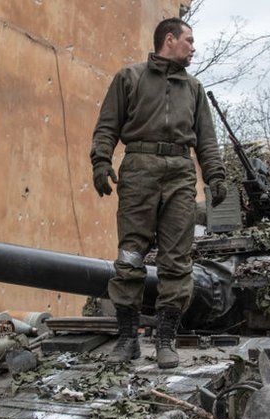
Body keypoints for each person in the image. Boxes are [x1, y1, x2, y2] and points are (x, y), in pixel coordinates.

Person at [90, 17, 227, 368]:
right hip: (138, 168)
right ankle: (127, 341)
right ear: (170, 39)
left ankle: (165, 340)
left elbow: (207, 140)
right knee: (131, 256)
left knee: (177, 259)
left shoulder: (193, 89)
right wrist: (101, 161)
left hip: (181, 173)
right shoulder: (129, 77)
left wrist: (215, 176)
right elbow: (108, 124)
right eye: (189, 40)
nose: (193, 48)